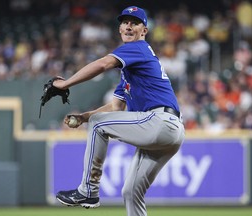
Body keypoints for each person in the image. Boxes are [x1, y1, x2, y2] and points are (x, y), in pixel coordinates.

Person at [53, 6, 185, 216]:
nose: (128, 26)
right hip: (168, 130)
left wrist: (66, 83)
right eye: (125, 22)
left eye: (134, 22)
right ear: (119, 28)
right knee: (131, 192)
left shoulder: (138, 48)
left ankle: (88, 190)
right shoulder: (129, 71)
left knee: (99, 123)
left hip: (160, 122)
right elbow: (116, 107)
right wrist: (84, 117)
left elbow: (104, 63)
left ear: (144, 30)